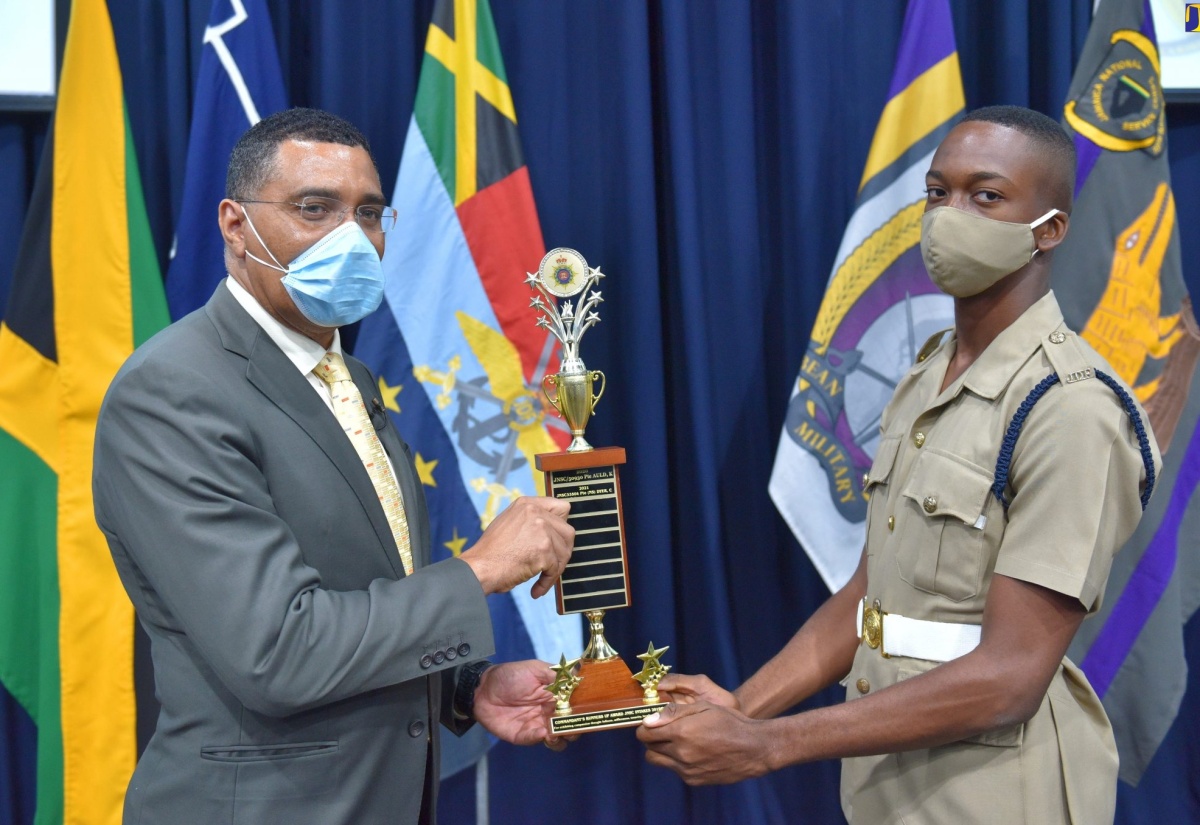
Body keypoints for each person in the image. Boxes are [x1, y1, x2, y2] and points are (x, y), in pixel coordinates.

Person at [637, 106, 1161, 824]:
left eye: (986, 196)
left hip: (998, 792)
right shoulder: (925, 375)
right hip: (890, 785)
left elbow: (1012, 674)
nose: (949, 215)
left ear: (1051, 229)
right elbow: (868, 598)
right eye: (937, 192)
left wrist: (769, 744)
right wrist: (742, 707)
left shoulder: (1069, 408)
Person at [93, 108, 574, 825]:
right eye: (313, 208)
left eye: (370, 213)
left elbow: (359, 594)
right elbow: (279, 650)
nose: (352, 237)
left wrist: (464, 689)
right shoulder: (172, 392)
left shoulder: (347, 377)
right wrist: (479, 570)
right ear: (234, 225)